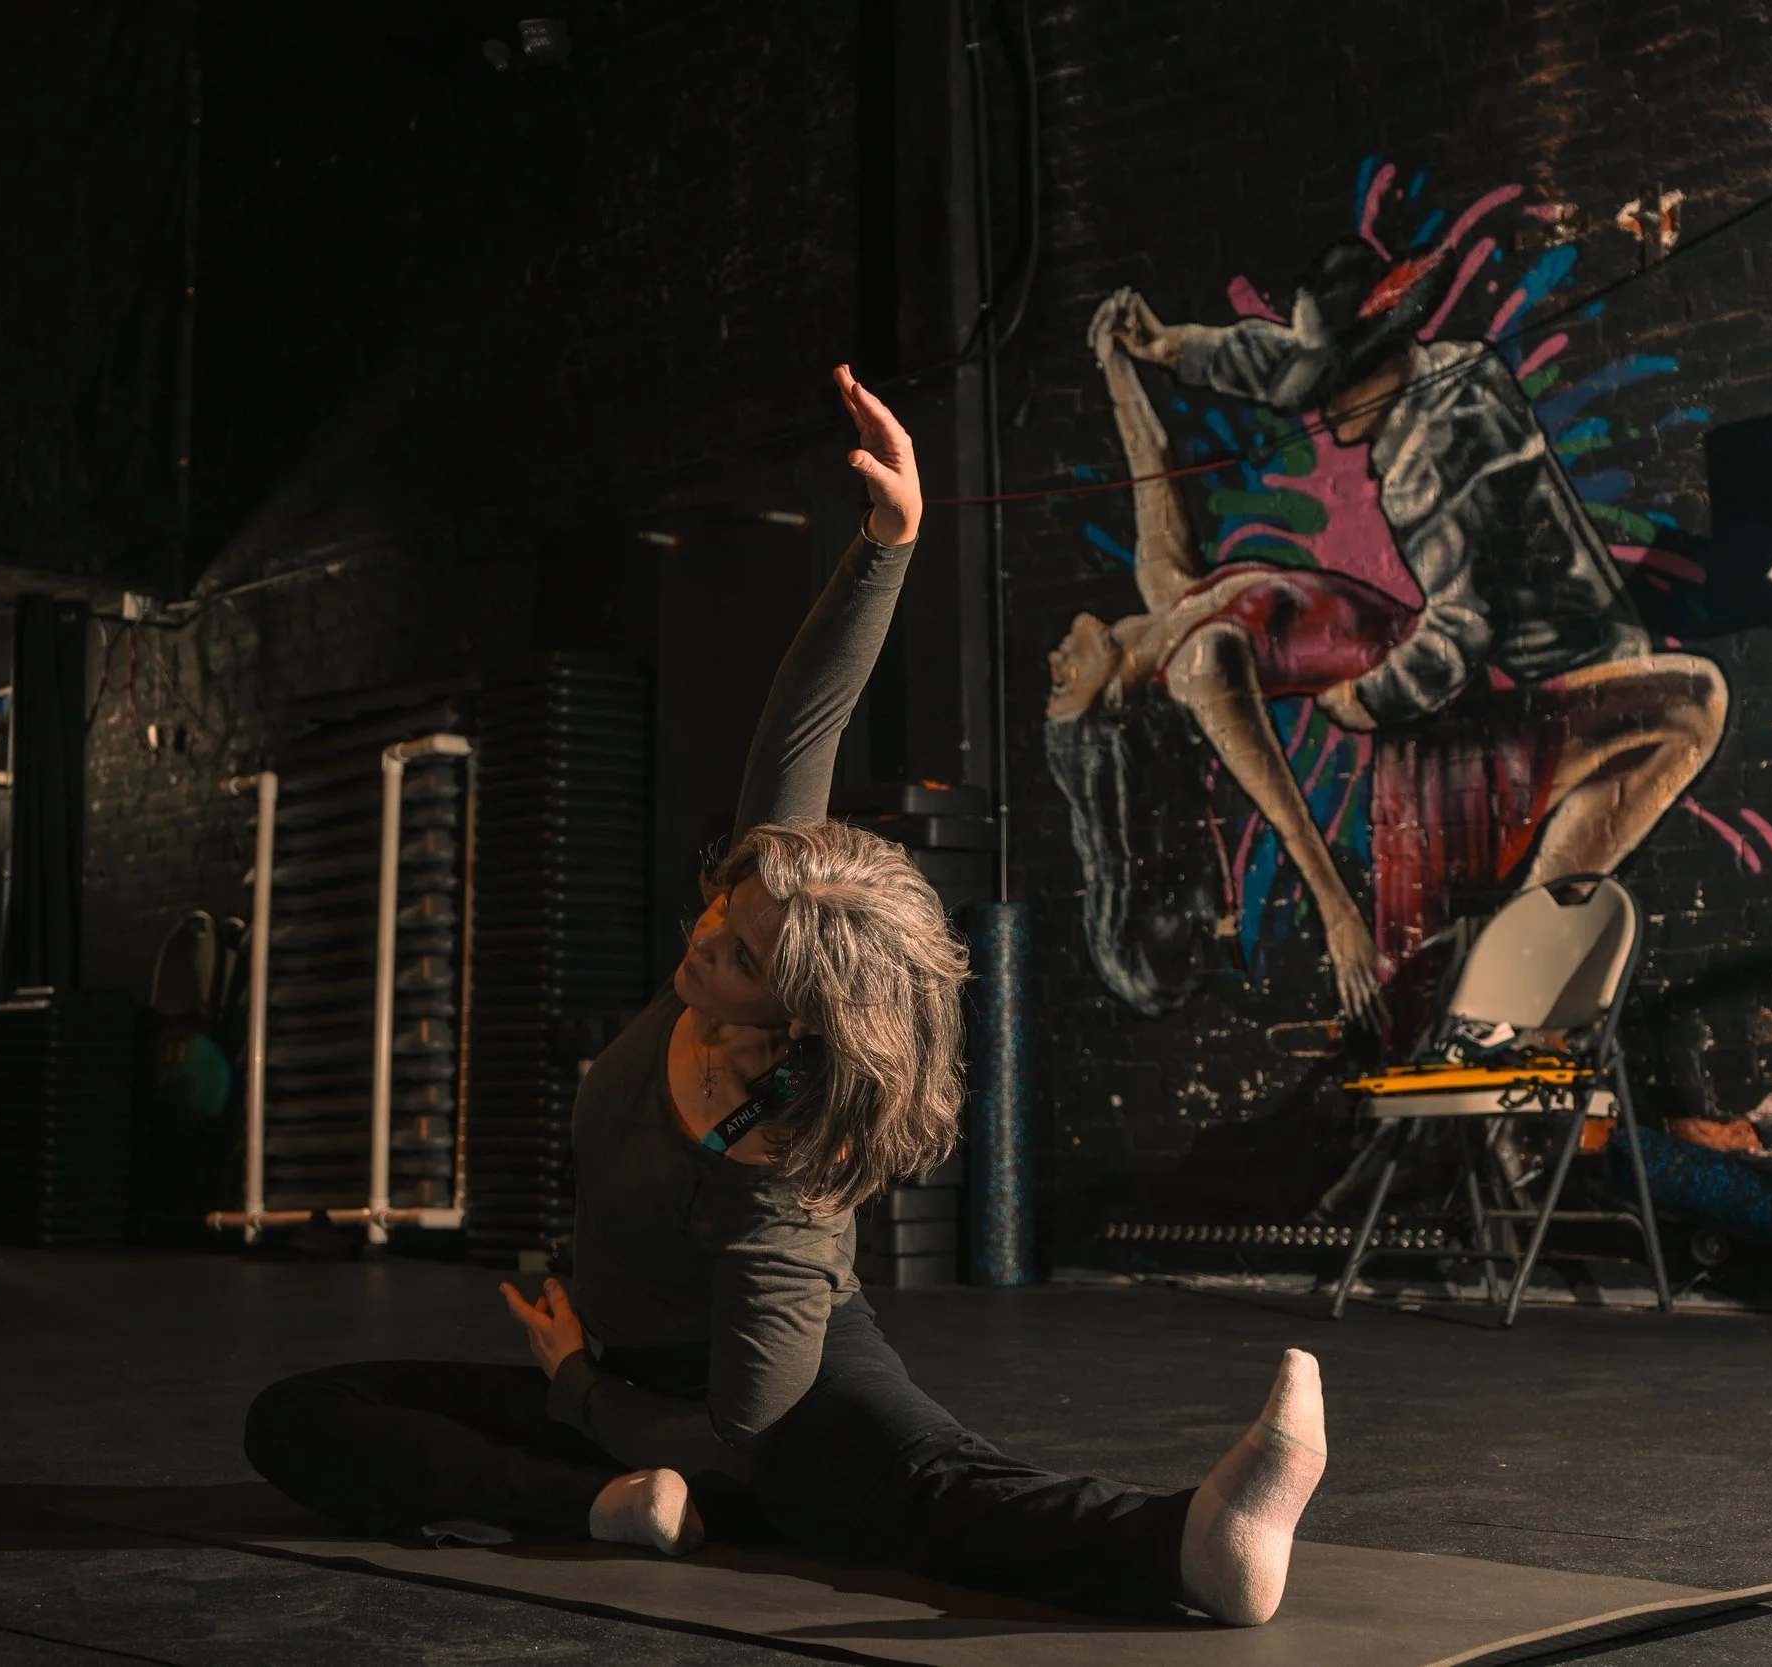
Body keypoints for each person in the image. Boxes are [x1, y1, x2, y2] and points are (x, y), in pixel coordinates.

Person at [243, 366, 1328, 1627]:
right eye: (723, 907)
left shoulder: (783, 1178)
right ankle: (606, 1504)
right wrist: (888, 541)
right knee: (305, 1413)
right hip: (623, 1395)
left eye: (737, 954)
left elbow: (743, 1429)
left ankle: (1198, 1545)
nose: (703, 936)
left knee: (924, 1489)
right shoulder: (750, 939)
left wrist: (582, 1385)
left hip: (763, 1397)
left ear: (799, 1016)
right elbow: (798, 728)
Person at [1084, 253, 1725, 980]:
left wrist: (1365, 700)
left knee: (1691, 705)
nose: (1319, 411)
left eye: (1335, 387)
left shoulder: (1426, 461)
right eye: (1319, 385)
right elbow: (1286, 364)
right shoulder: (1459, 365)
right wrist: (1166, 349)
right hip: (1474, 726)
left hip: (1505, 701)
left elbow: (1460, 633)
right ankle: (1520, 967)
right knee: (1690, 708)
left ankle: (1520, 963)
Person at [1049, 297, 1405, 1026]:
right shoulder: (1199, 667)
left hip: (1427, 655)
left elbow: (1149, 461)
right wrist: (1339, 914)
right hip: (1426, 691)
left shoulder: (1168, 589)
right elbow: (1281, 800)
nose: (1055, 662)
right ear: (1113, 702)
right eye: (1064, 687)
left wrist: (1116, 361)